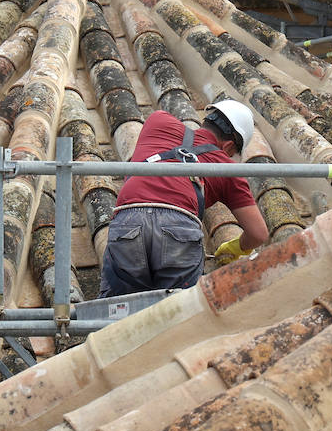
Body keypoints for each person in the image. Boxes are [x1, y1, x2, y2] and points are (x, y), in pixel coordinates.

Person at [99, 101, 270, 297]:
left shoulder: (158, 120)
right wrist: (236, 248)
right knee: (178, 313)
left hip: (129, 220)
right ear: (229, 145)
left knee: (114, 310)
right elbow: (258, 234)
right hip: (178, 227)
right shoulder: (226, 168)